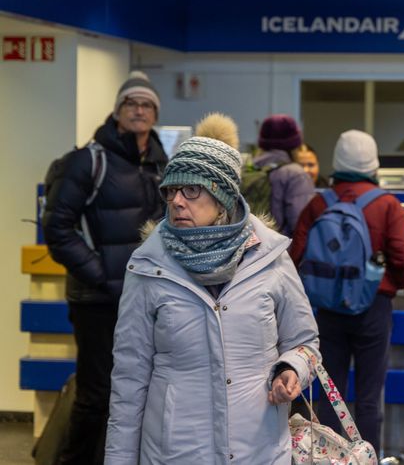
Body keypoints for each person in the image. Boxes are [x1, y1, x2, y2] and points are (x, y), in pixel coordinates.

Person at [105, 113, 320, 464]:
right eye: (171, 190)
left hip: (259, 450)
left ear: (222, 196)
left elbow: (305, 343)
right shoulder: (148, 266)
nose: (177, 201)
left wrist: (292, 368)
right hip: (175, 452)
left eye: (191, 189)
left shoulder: (270, 258)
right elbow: (128, 381)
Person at [41, 70, 167, 465]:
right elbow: (57, 228)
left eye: (147, 105)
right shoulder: (87, 161)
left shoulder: (161, 164)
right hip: (97, 299)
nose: (139, 110)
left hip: (145, 296)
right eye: (132, 103)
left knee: (136, 394)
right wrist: (101, 275)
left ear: (155, 114)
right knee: (96, 395)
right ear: (117, 111)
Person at [290, 129, 404, 454]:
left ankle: (329, 458)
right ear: (373, 163)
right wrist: (386, 283)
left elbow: (295, 257)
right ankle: (368, 456)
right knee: (368, 395)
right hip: (373, 308)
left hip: (327, 311)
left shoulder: (319, 203)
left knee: (330, 391)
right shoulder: (387, 205)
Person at [254, 114, 315, 236]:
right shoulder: (296, 175)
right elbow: (301, 226)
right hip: (280, 251)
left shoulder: (248, 169)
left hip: (247, 250)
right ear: (295, 145)